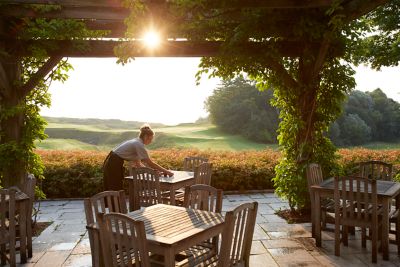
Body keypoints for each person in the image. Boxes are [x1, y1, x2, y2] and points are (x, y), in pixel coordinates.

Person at [103, 124, 173, 191]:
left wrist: (153, 173)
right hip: (113, 163)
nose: (151, 141)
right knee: (115, 188)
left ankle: (114, 203)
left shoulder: (136, 142)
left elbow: (138, 165)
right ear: (145, 136)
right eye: (150, 139)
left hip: (112, 162)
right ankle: (115, 203)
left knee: (113, 187)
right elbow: (150, 163)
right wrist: (167, 171)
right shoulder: (138, 144)